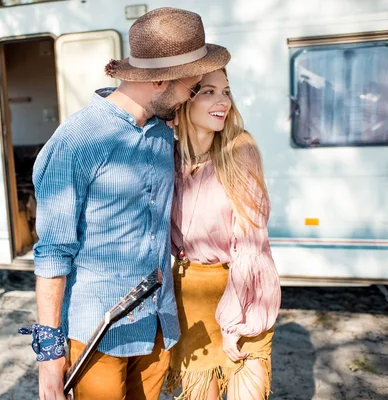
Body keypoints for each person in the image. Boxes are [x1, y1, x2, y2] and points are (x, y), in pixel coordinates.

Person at [26, 7, 230, 400]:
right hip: (98, 332)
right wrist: (50, 353)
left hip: (156, 324)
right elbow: (52, 253)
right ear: (158, 81)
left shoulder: (160, 133)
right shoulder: (76, 143)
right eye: (191, 86)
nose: (193, 94)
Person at [166, 68, 282, 400]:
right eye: (209, 92)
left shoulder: (239, 148)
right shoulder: (167, 155)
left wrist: (234, 324)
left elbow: (251, 242)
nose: (223, 102)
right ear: (184, 100)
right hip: (190, 296)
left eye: (226, 91)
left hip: (244, 294)